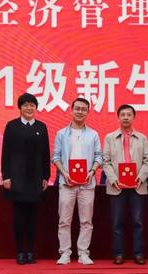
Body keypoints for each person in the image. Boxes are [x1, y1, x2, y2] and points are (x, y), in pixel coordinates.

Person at [1, 93, 50, 265]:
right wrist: (6, 176)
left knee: (32, 219)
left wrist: (46, 176)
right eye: (25, 105)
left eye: (32, 105)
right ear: (20, 108)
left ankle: (30, 251)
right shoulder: (12, 126)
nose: (29, 108)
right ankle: (20, 252)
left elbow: (45, 153)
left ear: (36, 108)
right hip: (17, 178)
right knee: (19, 218)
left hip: (35, 178)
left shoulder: (41, 127)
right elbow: (5, 153)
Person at [52, 97, 102, 266]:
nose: (80, 112)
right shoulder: (61, 134)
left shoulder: (93, 134)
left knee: (86, 221)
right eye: (77, 108)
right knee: (64, 221)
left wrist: (92, 172)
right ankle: (65, 253)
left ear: (87, 112)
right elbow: (56, 157)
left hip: (87, 184)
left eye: (83, 109)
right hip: (67, 183)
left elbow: (99, 157)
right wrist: (64, 173)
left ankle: (83, 253)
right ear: (72, 110)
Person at [102, 104, 148, 265]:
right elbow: (106, 161)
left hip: (137, 186)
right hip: (117, 186)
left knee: (138, 222)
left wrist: (141, 178)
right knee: (117, 222)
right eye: (122, 114)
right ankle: (118, 253)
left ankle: (138, 253)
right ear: (118, 117)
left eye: (129, 114)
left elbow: (147, 161)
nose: (125, 117)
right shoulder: (109, 138)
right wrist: (113, 179)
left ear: (133, 117)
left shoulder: (142, 138)